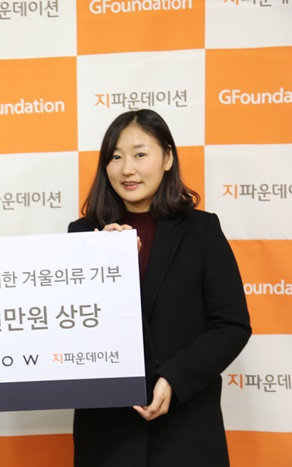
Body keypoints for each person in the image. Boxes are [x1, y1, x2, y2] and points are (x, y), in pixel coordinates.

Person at [68, 109, 251, 467]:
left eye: (140, 154)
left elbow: (232, 325)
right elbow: (69, 327)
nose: (127, 169)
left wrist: (174, 378)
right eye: (115, 157)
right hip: (106, 434)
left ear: (167, 158)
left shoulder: (201, 230)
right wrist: (102, 265)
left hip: (186, 432)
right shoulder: (83, 234)